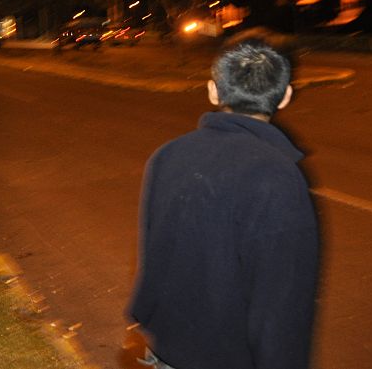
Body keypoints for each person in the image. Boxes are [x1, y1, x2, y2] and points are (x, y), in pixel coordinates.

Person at [127, 39, 319, 369]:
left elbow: (154, 247)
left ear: (213, 92)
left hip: (165, 347)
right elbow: (282, 302)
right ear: (285, 95)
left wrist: (145, 316)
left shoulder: (168, 154)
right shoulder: (277, 175)